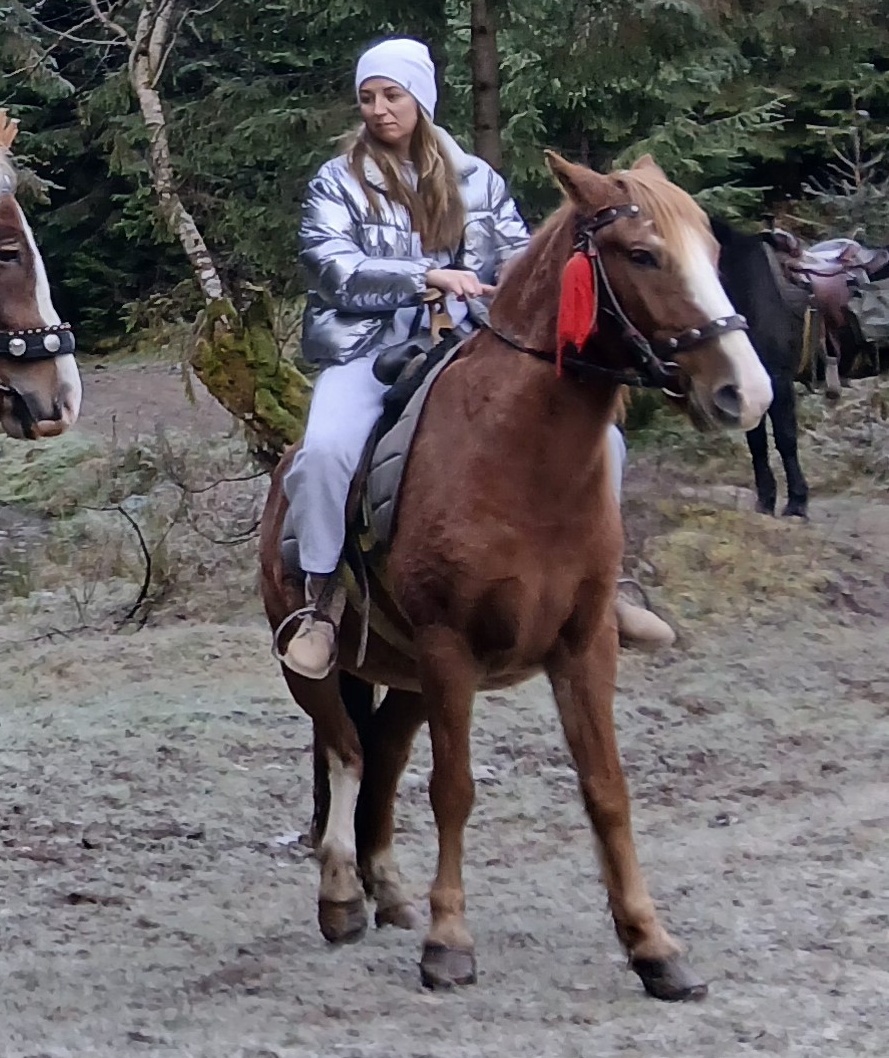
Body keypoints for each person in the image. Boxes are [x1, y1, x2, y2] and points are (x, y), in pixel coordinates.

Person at [279, 37, 673, 678]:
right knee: (325, 450)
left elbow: (517, 260)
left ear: (422, 101)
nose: (379, 109)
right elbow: (330, 268)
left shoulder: (477, 181)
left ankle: (609, 588)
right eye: (368, 97)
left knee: (606, 444)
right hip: (364, 346)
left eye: (392, 95)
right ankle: (320, 601)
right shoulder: (338, 180)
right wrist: (425, 278)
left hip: (465, 340)